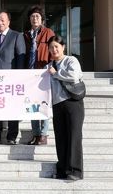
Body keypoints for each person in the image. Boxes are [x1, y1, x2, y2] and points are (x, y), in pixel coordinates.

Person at [46, 35, 84, 181]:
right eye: (51, 47)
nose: (54, 50)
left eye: (56, 46)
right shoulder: (48, 66)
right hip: (57, 105)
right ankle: (62, 169)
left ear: (63, 47)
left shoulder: (70, 60)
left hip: (72, 103)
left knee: (74, 136)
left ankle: (75, 171)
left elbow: (74, 76)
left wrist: (56, 74)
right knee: (60, 137)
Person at [0, 10, 26, 145]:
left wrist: (18, 77)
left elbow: (20, 58)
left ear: (9, 21)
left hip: (12, 79)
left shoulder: (17, 36)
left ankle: (12, 137)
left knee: (12, 108)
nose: (0, 22)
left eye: (2, 20)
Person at [24, 5, 55, 145]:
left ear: (42, 19)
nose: (34, 18)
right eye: (32, 16)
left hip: (44, 73)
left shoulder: (48, 33)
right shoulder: (26, 35)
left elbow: (54, 51)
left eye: (37, 16)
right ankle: (35, 134)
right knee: (32, 105)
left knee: (44, 104)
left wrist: (52, 66)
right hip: (30, 75)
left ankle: (43, 134)